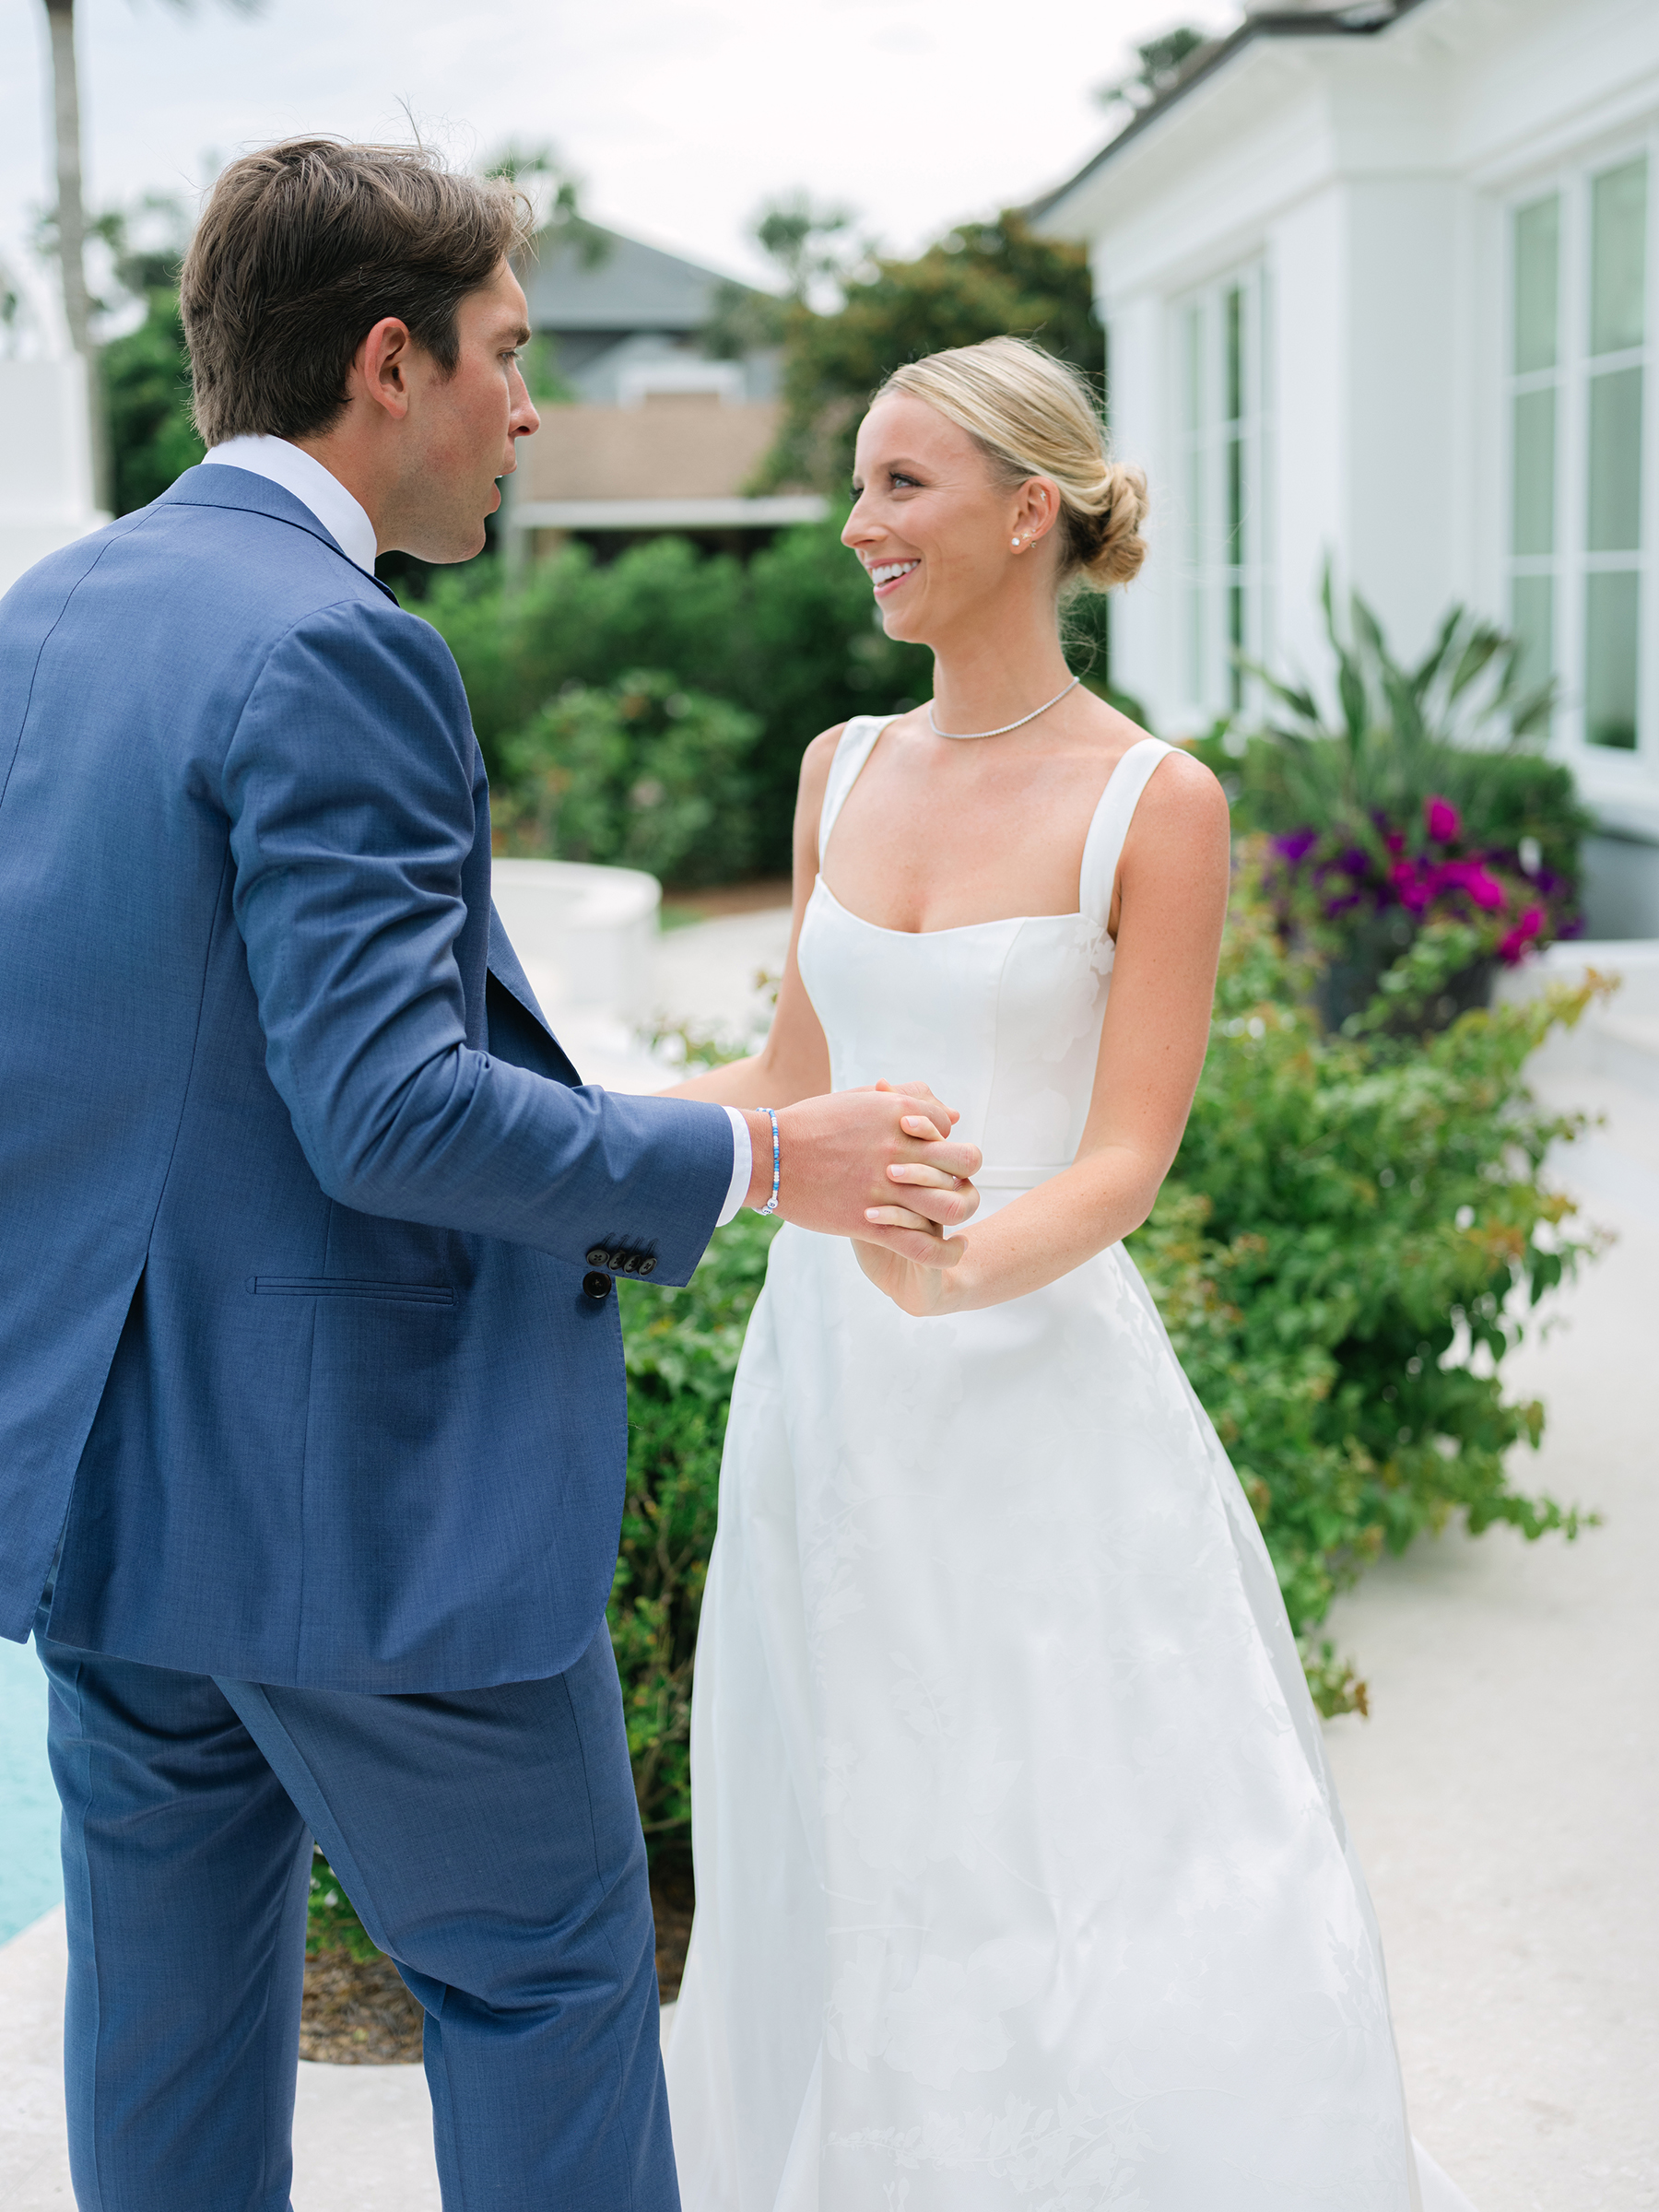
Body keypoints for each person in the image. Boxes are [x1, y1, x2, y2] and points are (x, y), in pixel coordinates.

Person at [0, 139, 981, 2212]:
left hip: (107, 1482)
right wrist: (756, 1156)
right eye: (510, 356)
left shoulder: (50, 615)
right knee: (543, 1990)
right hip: (361, 1514)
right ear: (388, 364)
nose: (529, 411)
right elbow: (389, 1113)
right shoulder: (344, 647)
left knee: (165, 2031)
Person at [661, 335, 1476, 2210]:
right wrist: (559, 1124)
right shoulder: (837, 768)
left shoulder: (1154, 803)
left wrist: (961, 1268)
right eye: (861, 486)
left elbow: (1126, 1153)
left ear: (1033, 510)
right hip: (830, 1396)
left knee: (1075, 1840)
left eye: (901, 485)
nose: (860, 525)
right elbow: (791, 1082)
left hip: (1033, 1398)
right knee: (853, 1819)